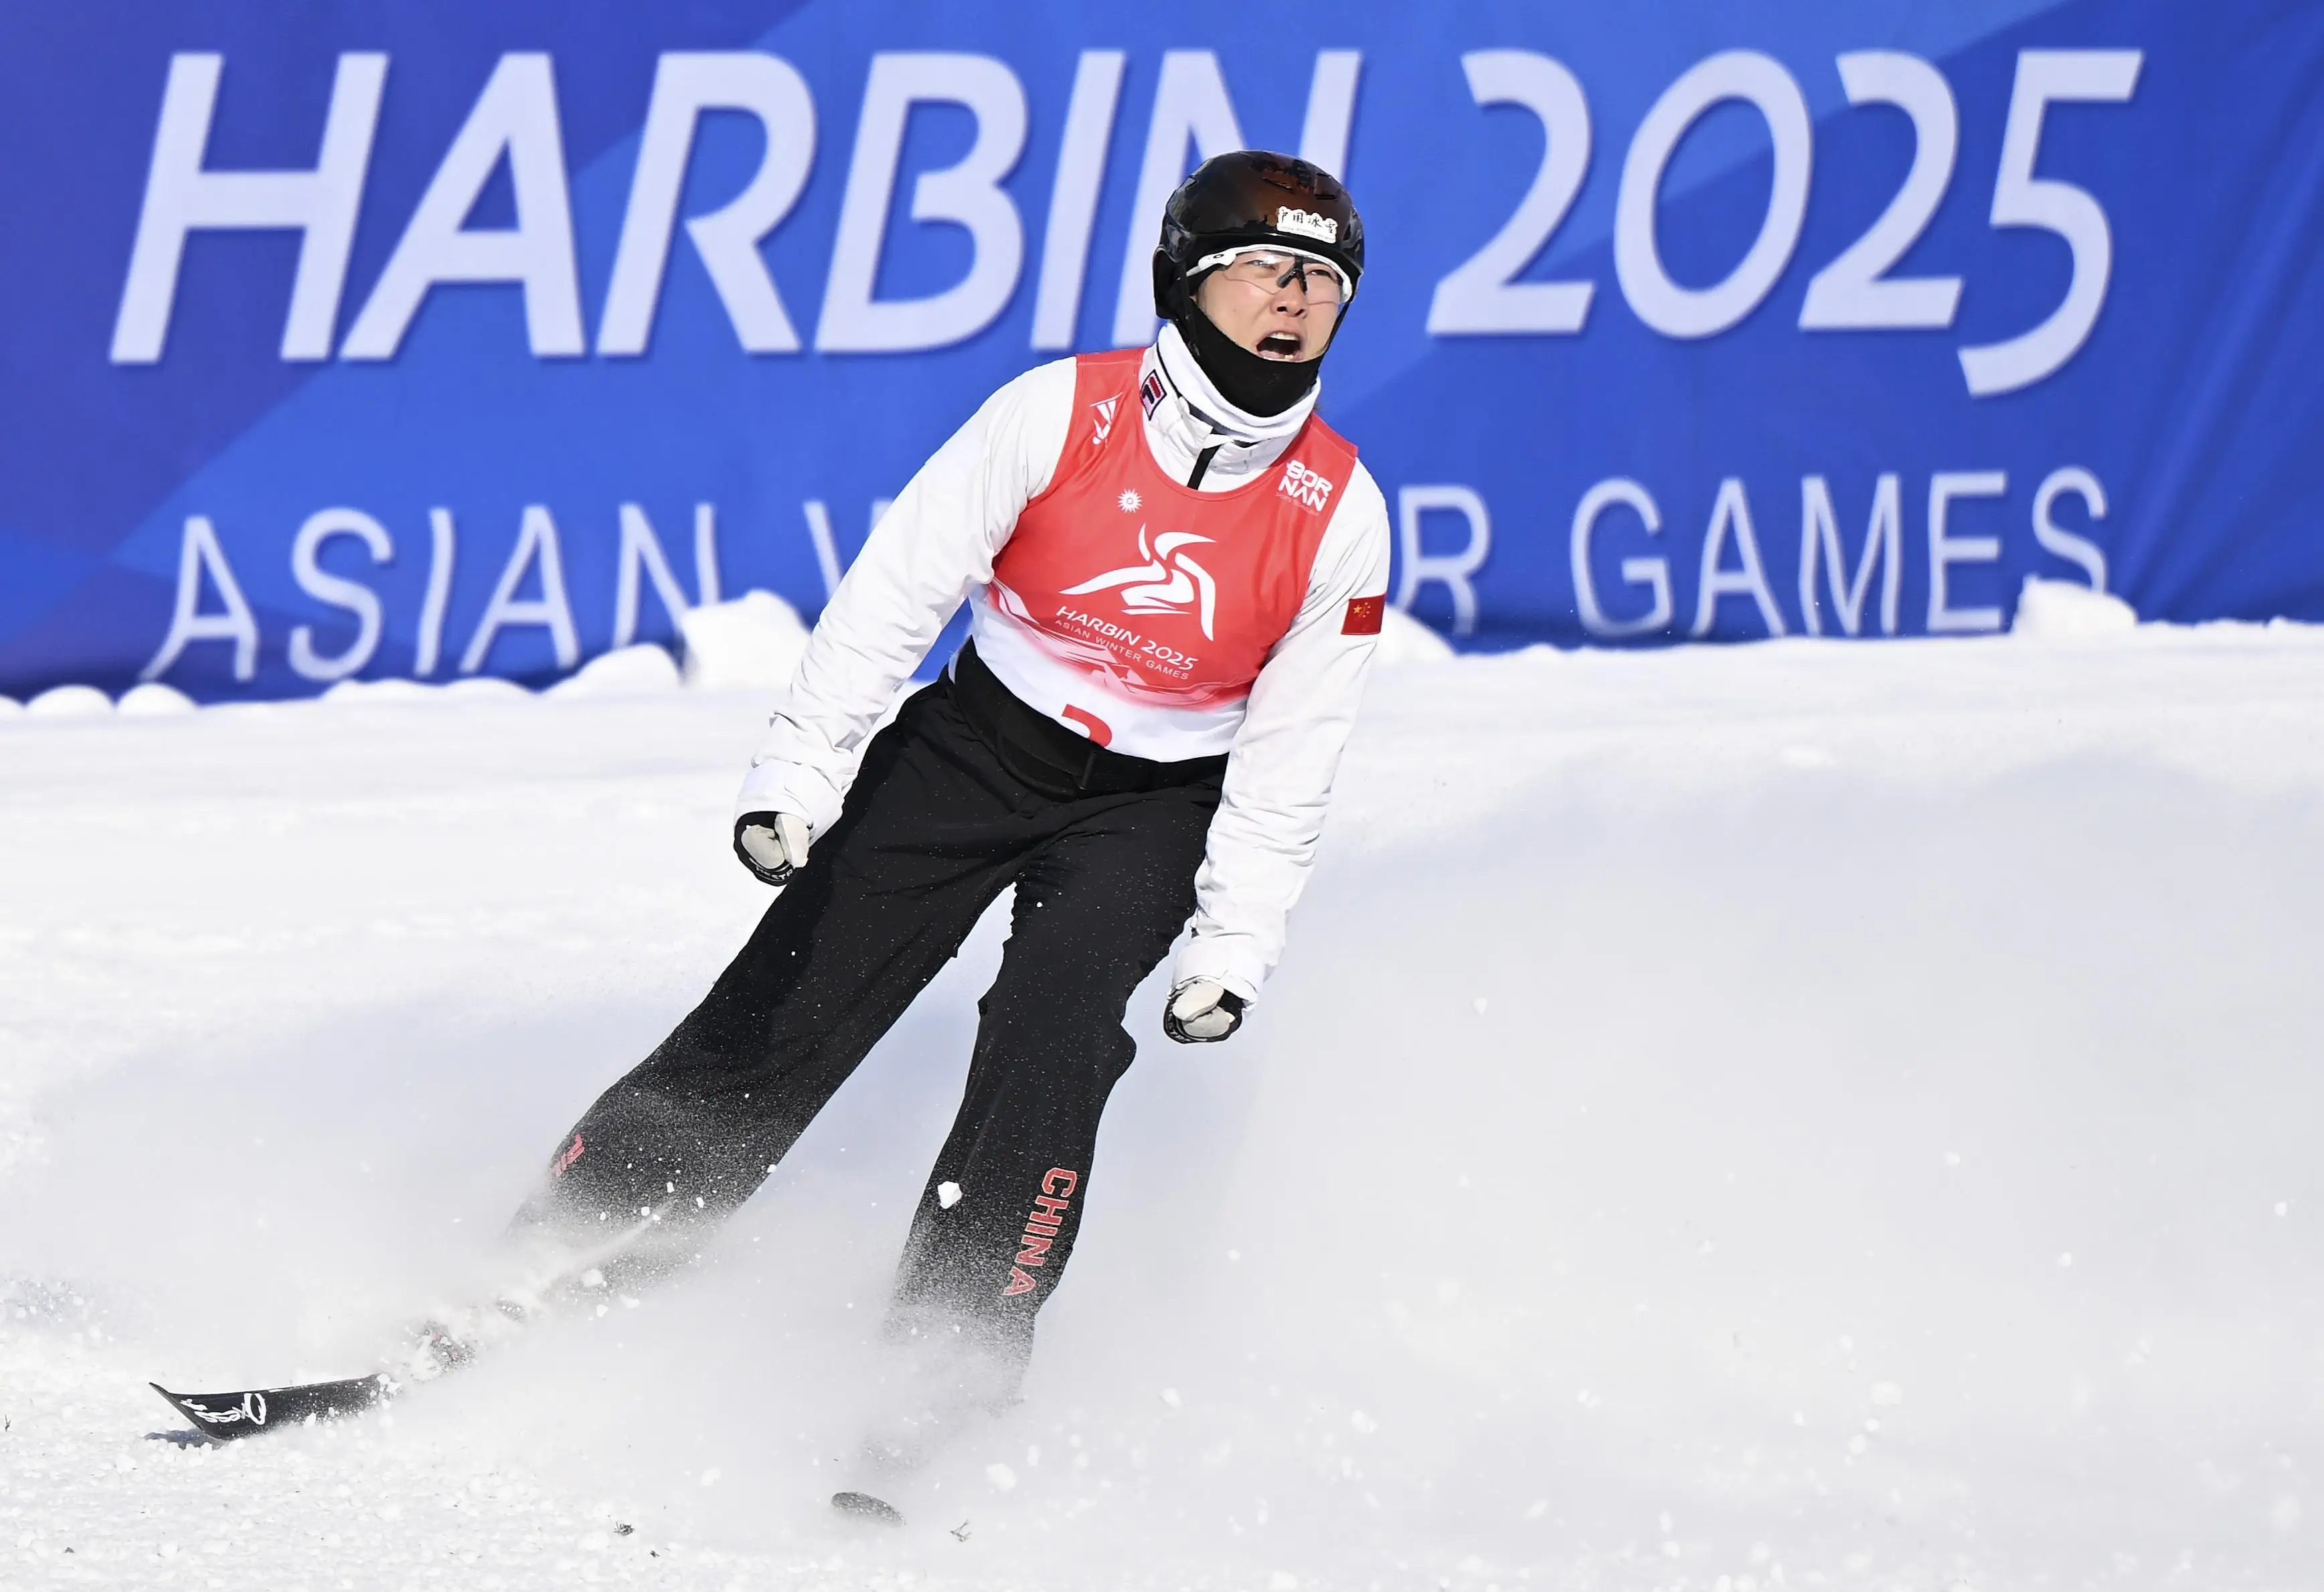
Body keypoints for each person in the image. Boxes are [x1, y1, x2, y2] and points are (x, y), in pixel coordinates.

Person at [505, 151, 1392, 1415]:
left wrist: (1235, 942)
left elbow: (1298, 749)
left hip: (1151, 807)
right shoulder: (1059, 411)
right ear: (1183, 283)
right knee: (800, 987)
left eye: (1321, 278)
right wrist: (800, 771)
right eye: (1261, 266)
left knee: (1052, 1041)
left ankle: (950, 1361)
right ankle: (571, 1240)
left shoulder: (1339, 509)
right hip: (978, 744)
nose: (1294, 297)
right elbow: (895, 593)